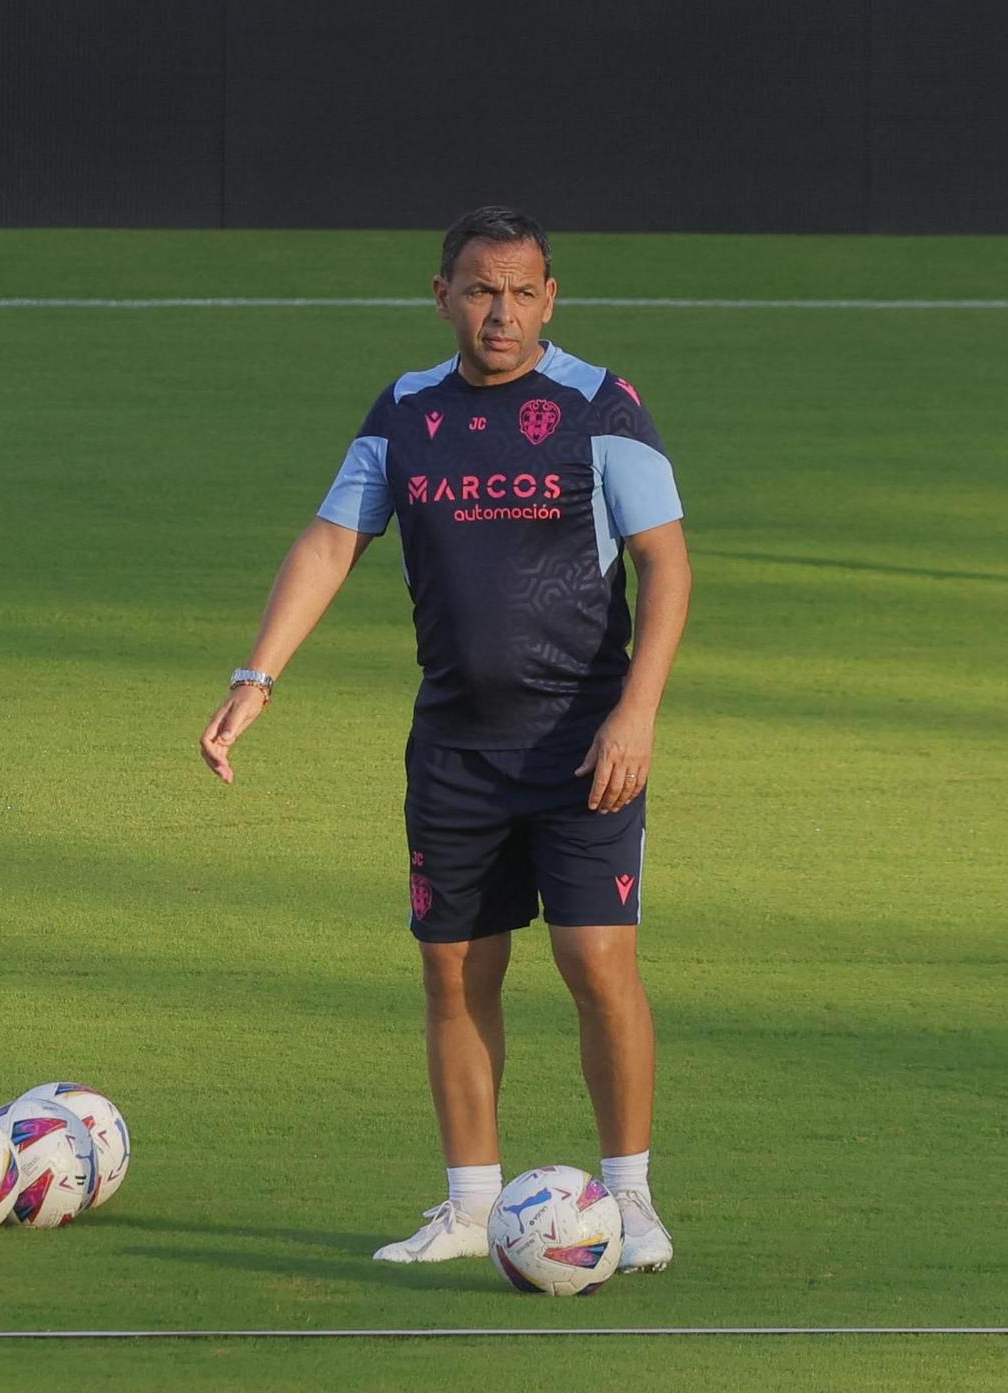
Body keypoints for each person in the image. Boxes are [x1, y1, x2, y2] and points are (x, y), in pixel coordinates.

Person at [198, 207, 691, 1272]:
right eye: (478, 290)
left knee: (595, 964)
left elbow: (666, 564)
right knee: (454, 974)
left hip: (581, 746)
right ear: (440, 296)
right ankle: (470, 1207)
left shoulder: (599, 405)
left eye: (519, 292)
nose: (498, 312)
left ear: (549, 298)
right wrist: (256, 676)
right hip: (455, 752)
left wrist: (636, 711)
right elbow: (332, 542)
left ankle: (632, 1199)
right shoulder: (406, 414)